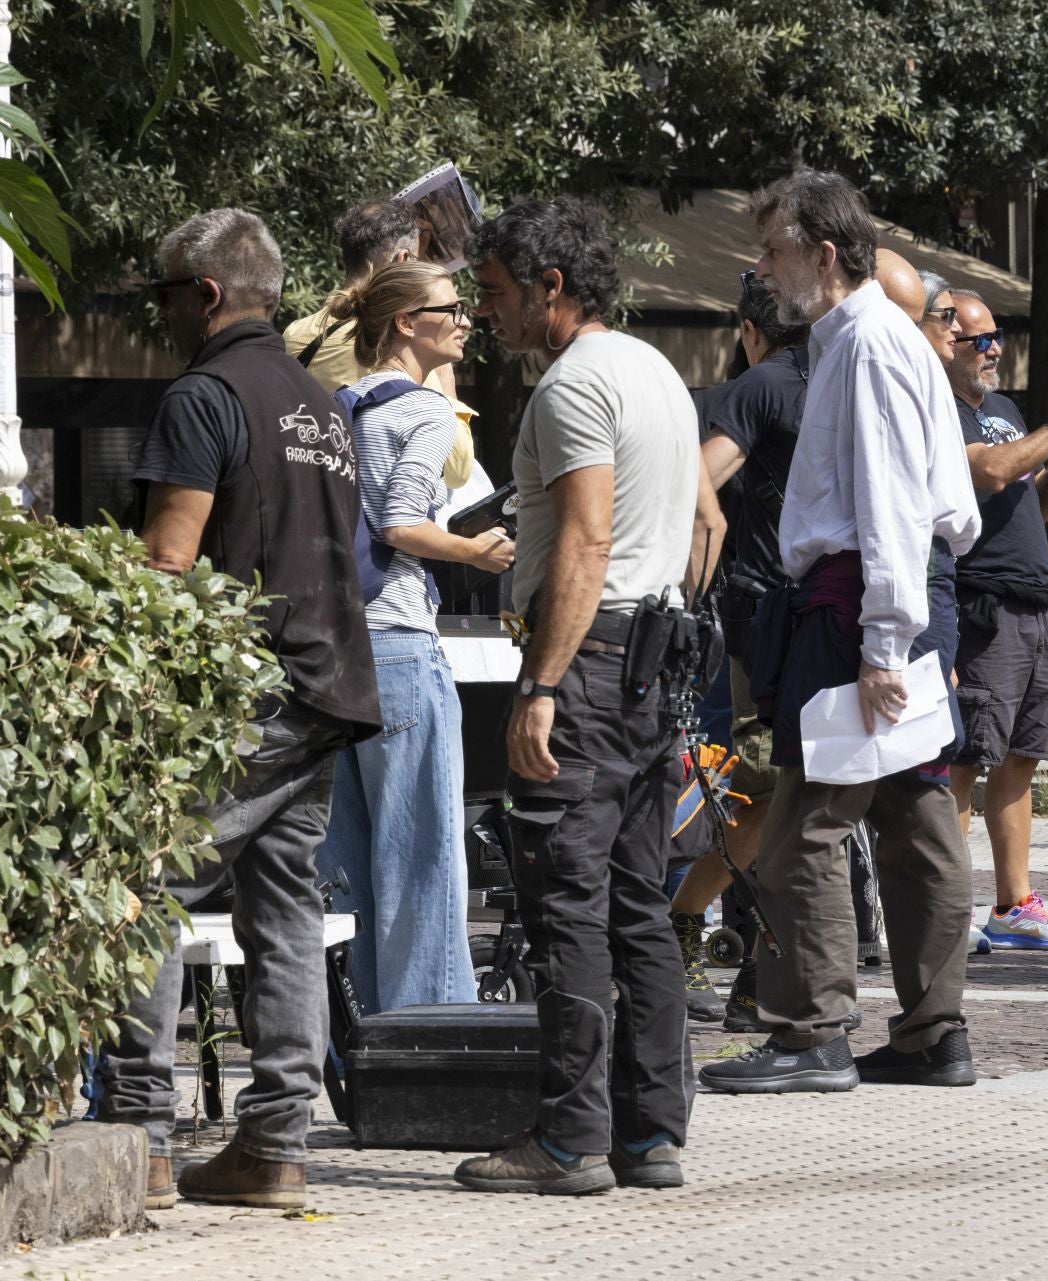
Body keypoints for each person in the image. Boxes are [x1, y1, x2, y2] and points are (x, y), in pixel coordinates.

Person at [101, 208, 382, 1210]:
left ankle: (138, 1139)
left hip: (245, 695)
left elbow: (168, 562)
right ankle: (273, 1145)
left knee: (135, 880)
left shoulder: (205, 393)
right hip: (328, 685)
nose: (163, 317)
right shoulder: (321, 403)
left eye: (167, 299)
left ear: (207, 296)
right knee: (284, 906)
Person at [453, 197, 720, 1196]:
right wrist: (667, 628)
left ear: (549, 289)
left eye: (495, 294)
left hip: (592, 659)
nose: (489, 314)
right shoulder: (657, 373)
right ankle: (652, 1135)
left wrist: (547, 684)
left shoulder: (570, 388)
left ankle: (569, 1140)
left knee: (569, 905)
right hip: (651, 657)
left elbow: (585, 539)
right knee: (638, 906)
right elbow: (707, 525)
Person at [697, 169, 981, 1094]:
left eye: (774, 250)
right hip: (879, 592)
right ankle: (932, 1031)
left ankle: (810, 1028)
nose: (762, 268)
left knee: (807, 824)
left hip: (862, 596)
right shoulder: (864, 341)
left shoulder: (866, 345)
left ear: (824, 254)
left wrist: (881, 644)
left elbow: (894, 502)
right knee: (913, 810)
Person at [311, 261, 516, 1013]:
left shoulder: (345, 404)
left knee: (354, 867)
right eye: (450, 308)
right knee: (426, 859)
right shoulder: (427, 414)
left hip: (340, 649)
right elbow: (401, 523)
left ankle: (369, 1040)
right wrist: (477, 550)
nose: (466, 318)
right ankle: (434, 1038)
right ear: (406, 323)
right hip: (400, 637)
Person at [936, 288, 1048, 950]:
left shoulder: (1005, 410)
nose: (993, 350)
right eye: (978, 339)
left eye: (998, 336)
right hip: (980, 603)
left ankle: (1012, 904)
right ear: (939, 341)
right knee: (963, 760)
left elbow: (1033, 500)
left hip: (1031, 600)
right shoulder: (936, 410)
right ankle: (947, 909)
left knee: (1019, 757)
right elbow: (991, 472)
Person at [674, 269, 811, 1030]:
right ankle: (714, 945)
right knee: (772, 794)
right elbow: (705, 479)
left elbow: (697, 480)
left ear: (751, 330)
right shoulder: (784, 383)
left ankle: (728, 952)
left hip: (782, 617)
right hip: (779, 622)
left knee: (786, 798)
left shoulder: (763, 382)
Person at [284, 196, 478, 492]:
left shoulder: (296, 333)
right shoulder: (397, 343)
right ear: (402, 261)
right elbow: (456, 469)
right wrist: (444, 375)